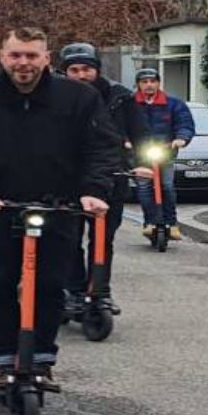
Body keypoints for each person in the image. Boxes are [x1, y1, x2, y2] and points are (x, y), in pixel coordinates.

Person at [0, 26, 121, 386]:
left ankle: (42, 356)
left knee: (51, 284)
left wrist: (94, 189)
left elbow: (103, 146)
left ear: (46, 58)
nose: (24, 63)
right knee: (0, 281)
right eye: (16, 55)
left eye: (32, 55)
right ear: (2, 57)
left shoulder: (79, 98)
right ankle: (3, 356)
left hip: (59, 207)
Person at [57, 43, 145, 312]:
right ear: (65, 72)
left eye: (87, 69)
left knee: (103, 239)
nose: (82, 75)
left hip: (109, 178)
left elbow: (140, 133)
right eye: (74, 70)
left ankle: (100, 290)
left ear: (97, 69)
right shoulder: (54, 97)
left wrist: (141, 163)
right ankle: (73, 289)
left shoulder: (120, 97)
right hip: (66, 180)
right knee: (69, 238)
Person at [129, 67, 195, 240]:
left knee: (167, 186)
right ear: (138, 85)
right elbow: (120, 123)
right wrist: (125, 140)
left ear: (158, 83)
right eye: (144, 82)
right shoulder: (130, 103)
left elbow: (185, 123)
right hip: (140, 152)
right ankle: (149, 222)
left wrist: (181, 138)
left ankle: (172, 223)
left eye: (153, 81)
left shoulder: (173, 103)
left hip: (165, 151)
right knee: (143, 187)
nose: (149, 85)